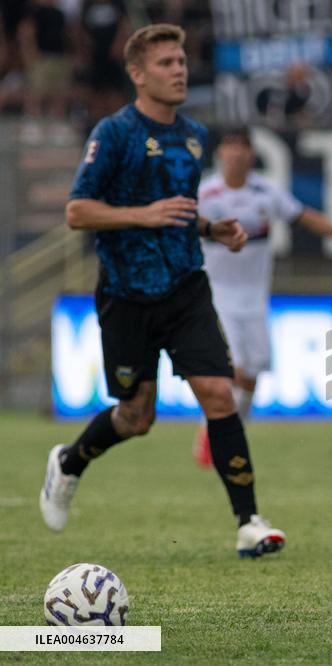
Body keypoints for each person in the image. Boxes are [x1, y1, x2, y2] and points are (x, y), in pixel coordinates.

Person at [39, 24, 286, 558]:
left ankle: (249, 521)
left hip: (186, 287)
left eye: (181, 60)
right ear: (137, 73)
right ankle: (69, 461)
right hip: (127, 294)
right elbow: (78, 210)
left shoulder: (193, 135)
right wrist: (141, 216)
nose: (179, 70)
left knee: (219, 395)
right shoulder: (115, 132)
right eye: (167, 63)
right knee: (137, 416)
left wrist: (208, 229)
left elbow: (177, 211)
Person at [192, 127, 332, 467]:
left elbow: (308, 218)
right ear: (220, 154)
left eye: (242, 147)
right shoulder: (203, 192)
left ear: (252, 155)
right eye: (230, 146)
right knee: (234, 368)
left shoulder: (266, 192)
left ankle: (233, 437)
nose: (236, 153)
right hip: (216, 293)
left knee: (252, 374)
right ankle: (215, 439)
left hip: (254, 297)